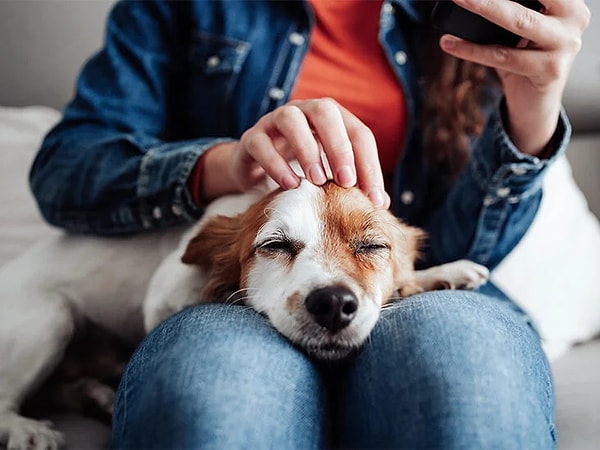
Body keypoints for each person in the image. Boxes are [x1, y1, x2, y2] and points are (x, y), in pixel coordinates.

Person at [30, 0, 590, 448]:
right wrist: (225, 164)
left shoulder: (473, 16)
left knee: (462, 362)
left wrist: (532, 111)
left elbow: (458, 248)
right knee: (217, 389)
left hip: (409, 291)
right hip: (245, 300)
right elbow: (64, 170)